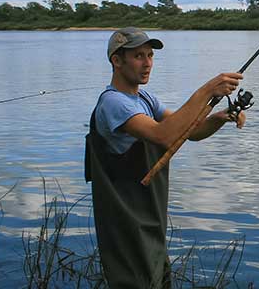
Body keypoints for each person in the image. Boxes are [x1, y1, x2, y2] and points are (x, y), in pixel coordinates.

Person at [84, 27, 245, 288]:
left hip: (150, 223)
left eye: (150, 56)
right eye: (138, 56)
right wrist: (206, 90)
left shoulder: (144, 98)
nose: (147, 63)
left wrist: (219, 117)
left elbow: (190, 132)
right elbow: (163, 136)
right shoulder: (113, 103)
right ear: (116, 60)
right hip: (127, 226)